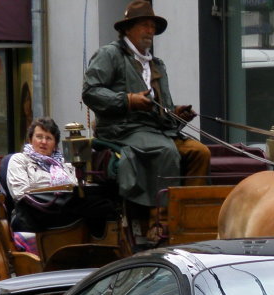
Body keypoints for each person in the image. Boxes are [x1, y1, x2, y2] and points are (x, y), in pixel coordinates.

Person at [81, 0, 210, 235]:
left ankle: (191, 216)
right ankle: (160, 223)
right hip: (121, 129)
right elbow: (90, 92)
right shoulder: (109, 54)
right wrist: (128, 100)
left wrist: (177, 114)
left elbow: (165, 110)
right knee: (166, 151)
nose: (150, 31)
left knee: (200, 152)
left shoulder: (157, 64)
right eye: (144, 25)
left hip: (156, 130)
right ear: (128, 28)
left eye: (152, 27)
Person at [5, 117, 117, 238]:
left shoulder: (65, 163)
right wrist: (53, 194)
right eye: (39, 137)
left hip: (66, 207)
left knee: (105, 203)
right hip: (34, 210)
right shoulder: (19, 160)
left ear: (55, 144)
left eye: (48, 138)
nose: (43, 142)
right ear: (30, 139)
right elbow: (20, 193)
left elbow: (76, 185)